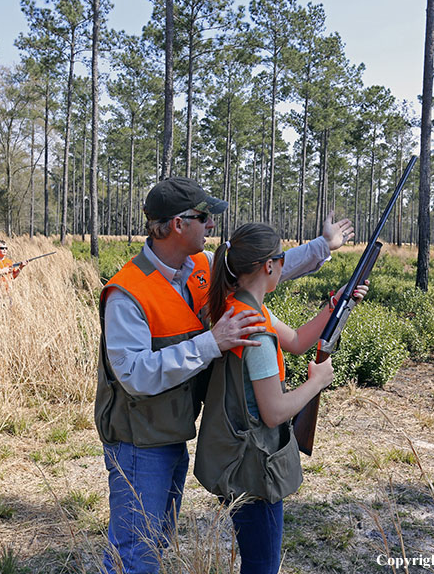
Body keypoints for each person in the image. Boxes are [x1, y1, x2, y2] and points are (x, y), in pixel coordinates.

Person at [95, 177, 354, 573]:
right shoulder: (127, 293)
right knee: (135, 550)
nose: (212, 225)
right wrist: (212, 341)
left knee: (154, 539)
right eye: (204, 217)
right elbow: (134, 375)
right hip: (138, 441)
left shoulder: (199, 266)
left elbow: (258, 271)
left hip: (173, 430)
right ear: (178, 225)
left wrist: (324, 248)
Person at [195, 223, 368, 573]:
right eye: (281, 258)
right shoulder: (255, 332)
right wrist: (316, 383)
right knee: (262, 566)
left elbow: (299, 340)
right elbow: (274, 412)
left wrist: (336, 305)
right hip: (254, 469)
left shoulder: (239, 308)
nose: (284, 264)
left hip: (235, 455)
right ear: (268, 266)